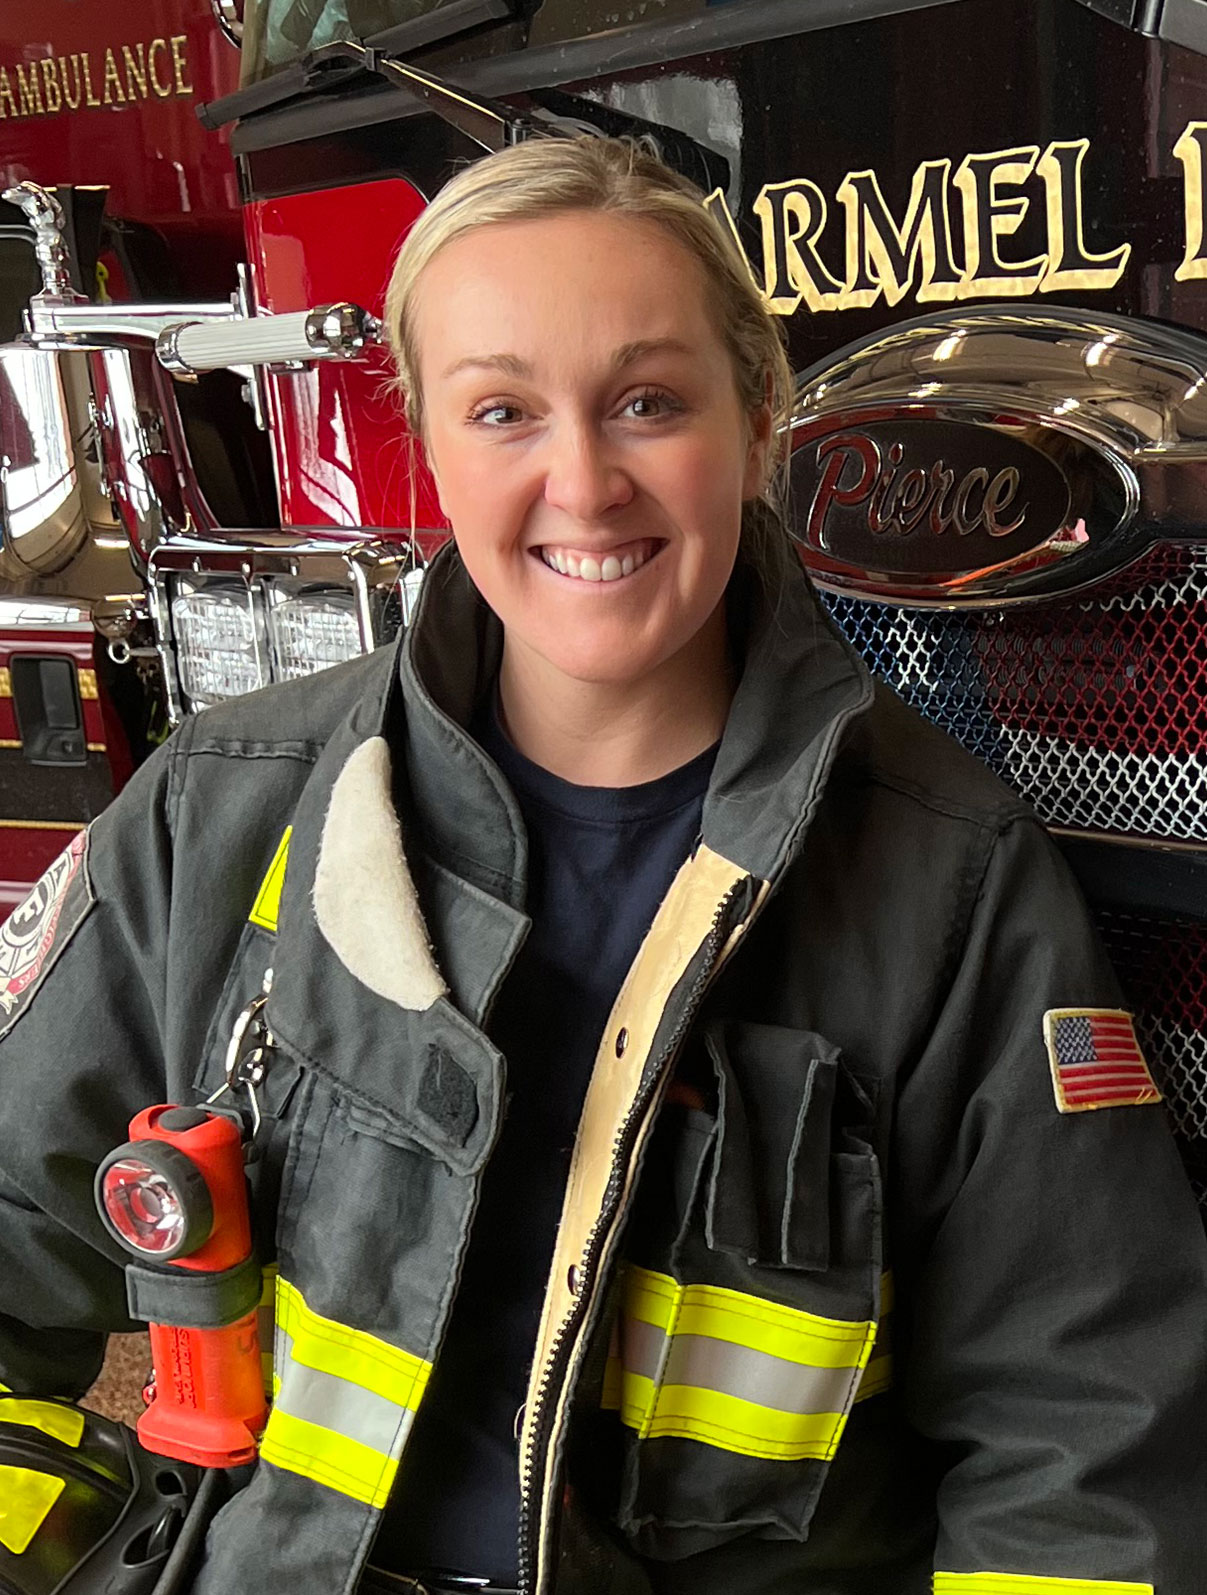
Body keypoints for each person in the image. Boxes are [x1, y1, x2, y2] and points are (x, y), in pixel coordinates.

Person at [0, 135, 1204, 1595]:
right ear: (426, 447)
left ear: (757, 421)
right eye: (503, 411)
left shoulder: (947, 879)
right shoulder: (224, 820)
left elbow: (1081, 1445)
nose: (583, 481)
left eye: (648, 402)